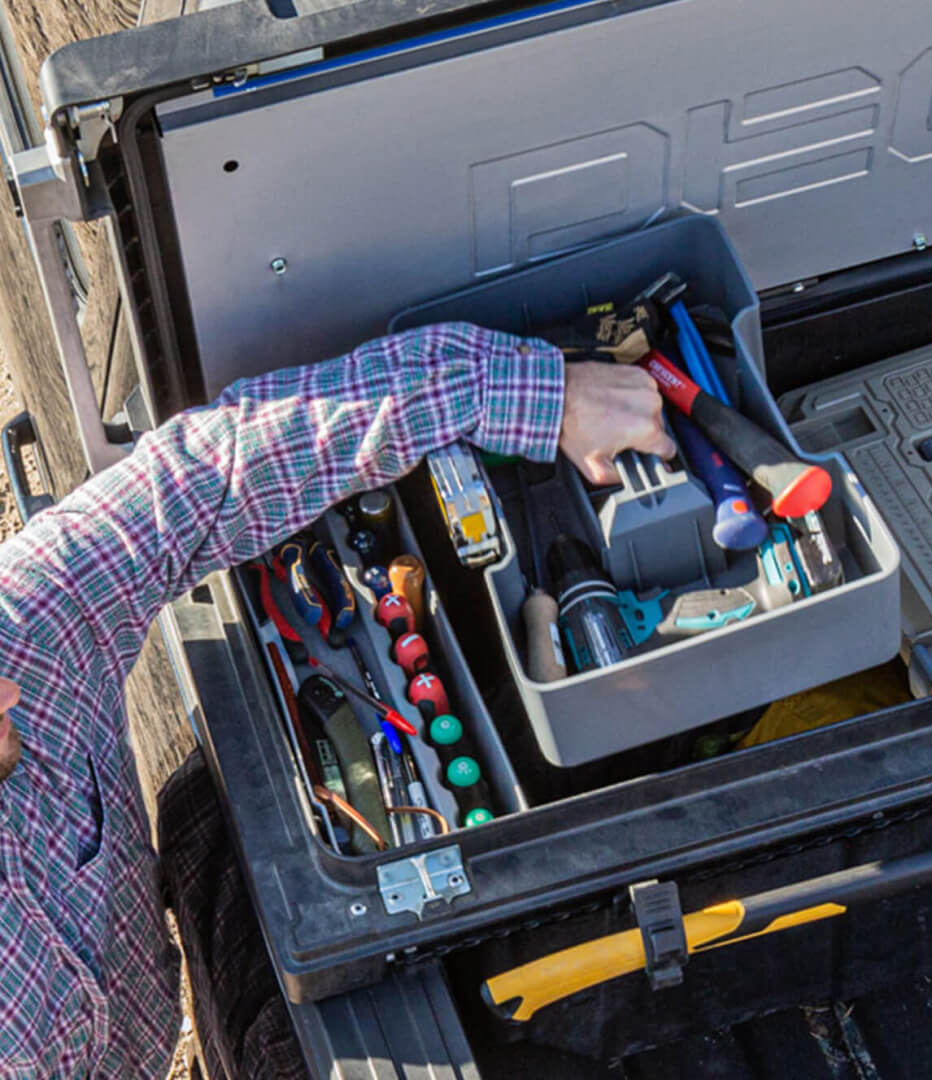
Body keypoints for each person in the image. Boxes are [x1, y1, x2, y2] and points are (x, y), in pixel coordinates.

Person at [0, 323, 674, 1078]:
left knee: (206, 813)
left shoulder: (18, 637)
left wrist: (529, 393)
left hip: (132, 1010)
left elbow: (209, 473)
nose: (9, 690)